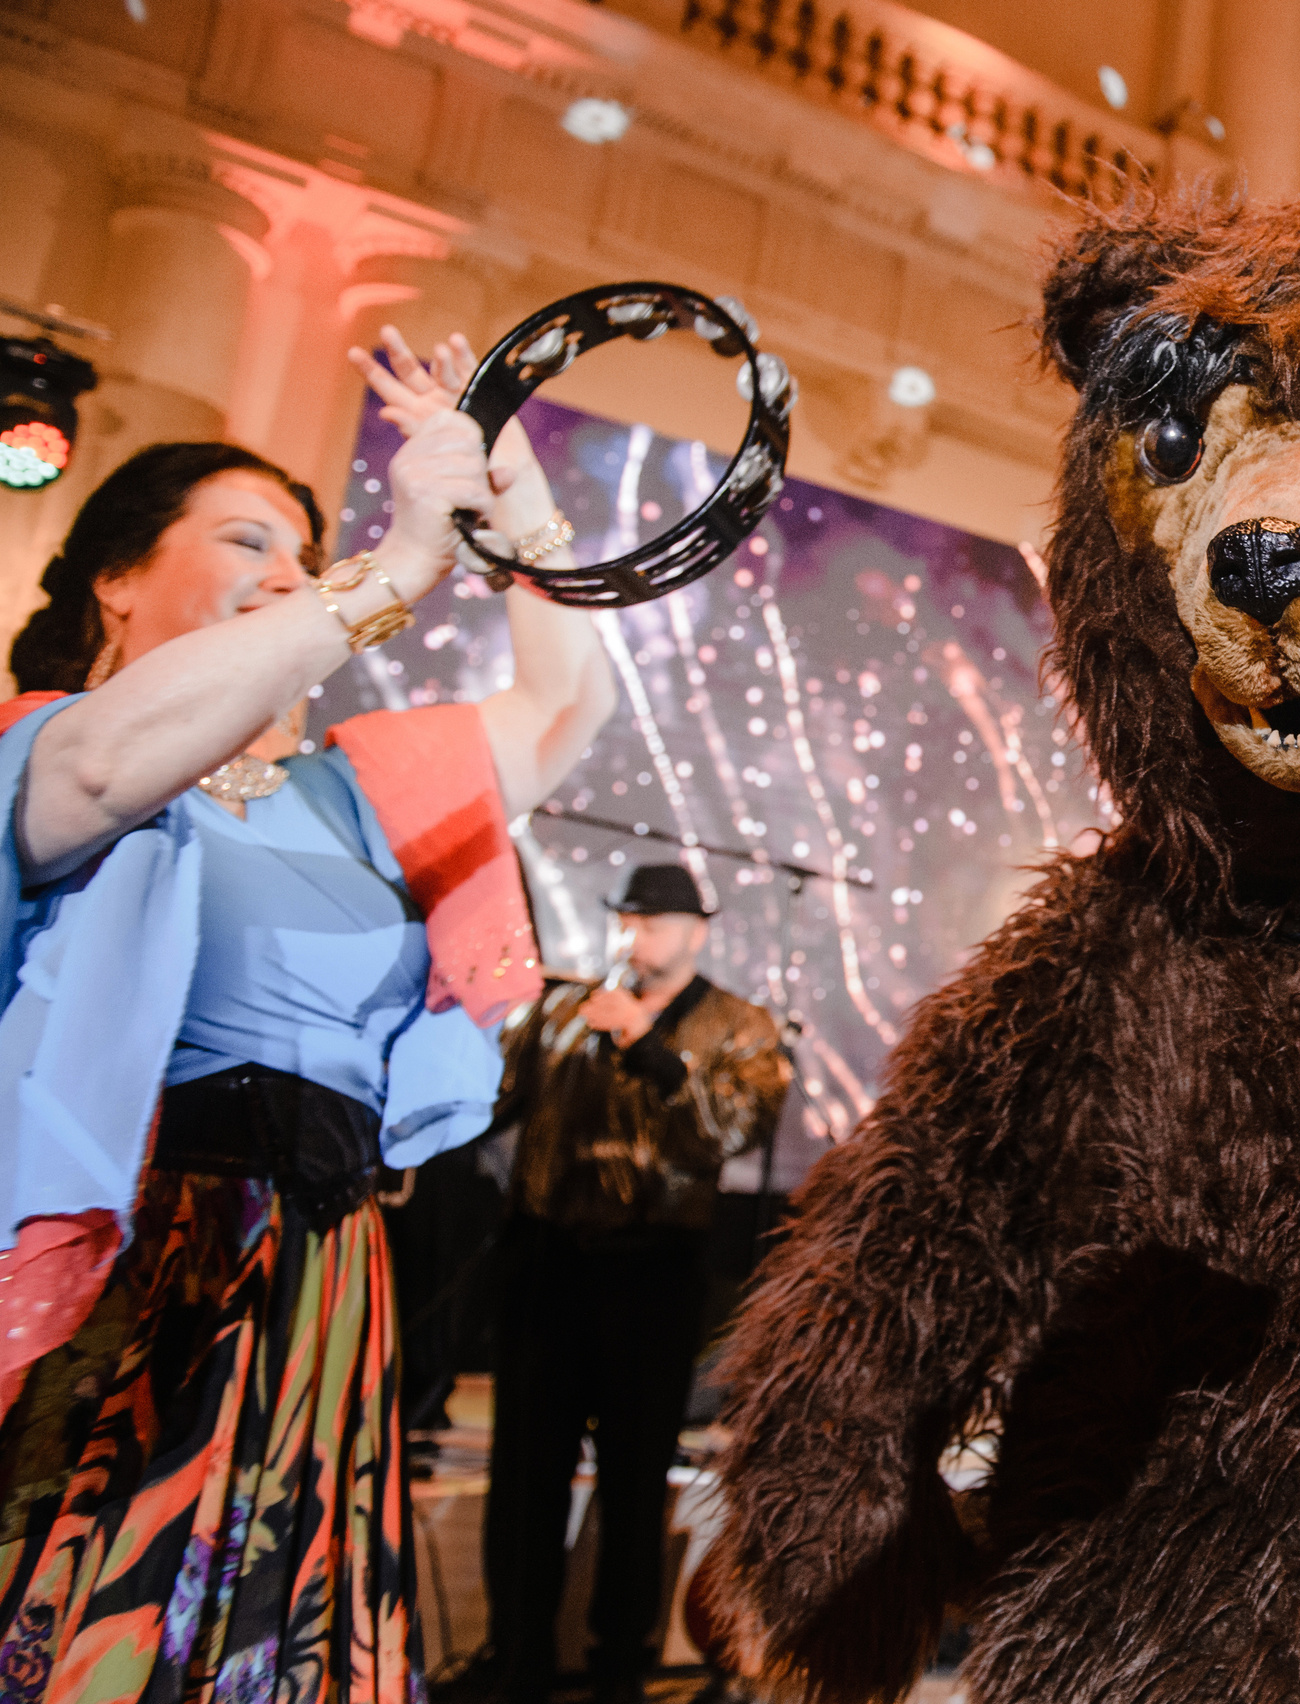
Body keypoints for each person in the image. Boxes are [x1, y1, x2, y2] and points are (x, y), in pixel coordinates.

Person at [0, 329, 614, 1695]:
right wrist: (392, 571)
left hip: (324, 1269)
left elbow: (566, 703)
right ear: (115, 582)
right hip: (136, 1261)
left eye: (303, 548)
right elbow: (104, 767)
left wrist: (513, 496)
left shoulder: (356, 782)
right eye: (242, 542)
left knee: (278, 1634)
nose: (287, 571)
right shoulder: (47, 740)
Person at [462, 862, 791, 1704]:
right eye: (625, 921)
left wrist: (647, 1049)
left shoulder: (737, 1025)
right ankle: (518, 1655)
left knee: (635, 1476)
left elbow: (729, 1131)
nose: (632, 937)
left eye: (650, 922)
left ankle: (620, 1664)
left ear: (694, 932)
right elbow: (496, 1099)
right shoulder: (566, 1013)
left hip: (651, 1272)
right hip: (546, 1261)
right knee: (526, 1471)